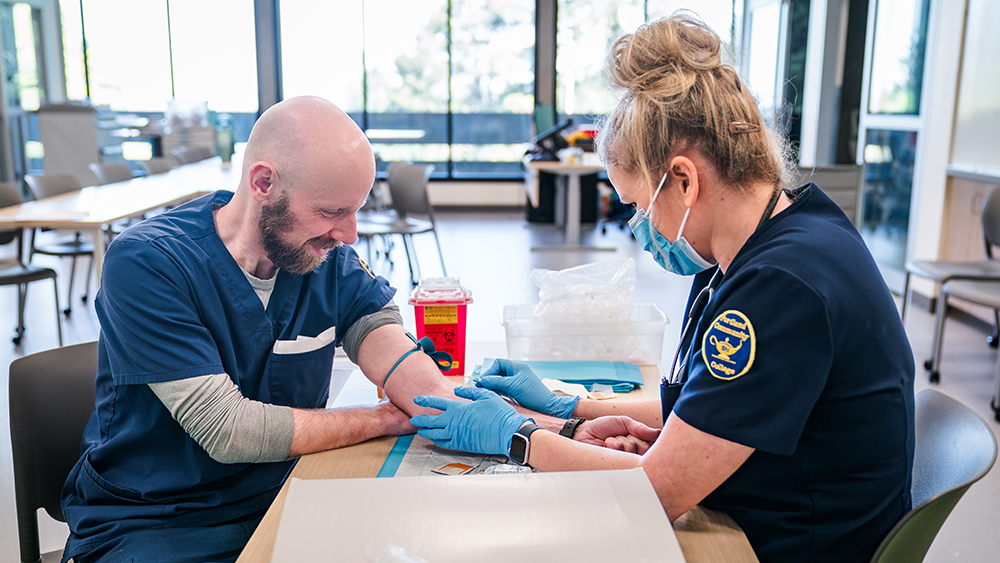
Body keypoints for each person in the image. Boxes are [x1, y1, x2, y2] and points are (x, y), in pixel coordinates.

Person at [410, 14, 915, 563]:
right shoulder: (790, 232)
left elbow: (656, 492)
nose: (637, 226)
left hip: (788, 545)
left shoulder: (779, 287)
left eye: (635, 204)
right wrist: (571, 408)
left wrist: (522, 437)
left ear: (684, 179)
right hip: (777, 507)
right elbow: (719, 402)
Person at [60, 96, 472, 563]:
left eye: (355, 209)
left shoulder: (321, 258)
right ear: (263, 183)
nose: (350, 234)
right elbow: (228, 430)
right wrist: (385, 417)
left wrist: (487, 412)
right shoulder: (149, 263)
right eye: (332, 211)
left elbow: (385, 340)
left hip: (283, 491)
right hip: (158, 519)